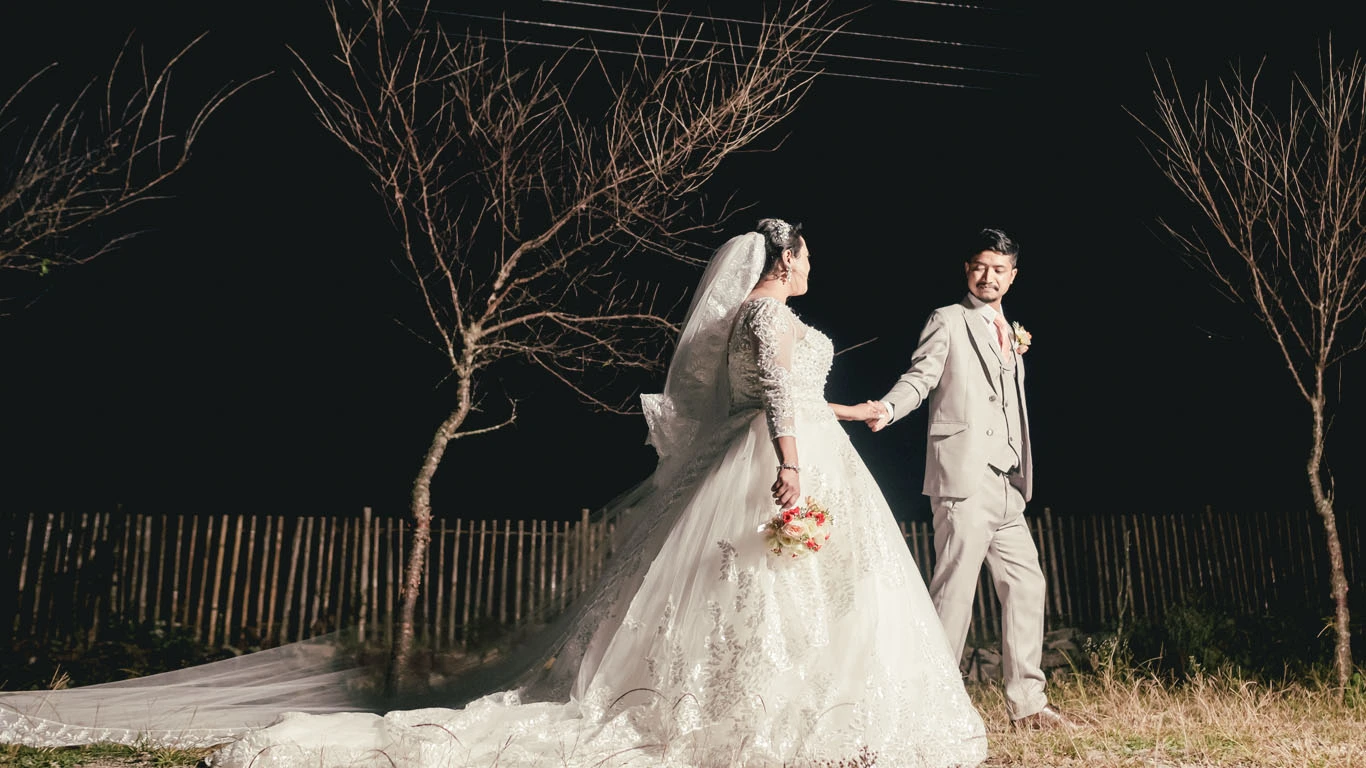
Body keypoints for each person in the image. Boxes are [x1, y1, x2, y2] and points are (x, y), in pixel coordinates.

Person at [1, 219, 988, 767]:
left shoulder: (751, 321)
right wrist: (789, 467)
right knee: (766, 595)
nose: (813, 265)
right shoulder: (770, 323)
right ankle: (761, 720)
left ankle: (795, 710)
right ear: (783, 262)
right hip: (780, 461)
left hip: (802, 446)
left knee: (769, 601)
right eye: (806, 253)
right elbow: (779, 395)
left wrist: (842, 420)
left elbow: (791, 394)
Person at [865, 227, 1074, 730]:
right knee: (954, 594)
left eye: (999, 269)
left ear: (1013, 275)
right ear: (967, 269)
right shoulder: (948, 320)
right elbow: (922, 376)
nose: (988, 277)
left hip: (1007, 484)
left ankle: (1027, 704)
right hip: (963, 480)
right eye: (980, 267)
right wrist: (889, 407)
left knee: (1028, 584)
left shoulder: (1011, 328)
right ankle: (928, 704)